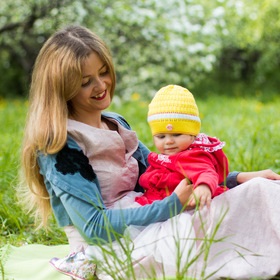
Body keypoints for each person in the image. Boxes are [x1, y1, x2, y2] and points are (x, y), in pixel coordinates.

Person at [12, 25, 280, 280]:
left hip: (152, 218)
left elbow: (165, 172)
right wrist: (171, 206)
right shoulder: (60, 144)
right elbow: (94, 227)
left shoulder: (115, 123)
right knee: (218, 227)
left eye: (104, 71)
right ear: (62, 88)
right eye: (85, 82)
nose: (101, 85)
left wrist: (235, 179)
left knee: (259, 190)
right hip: (114, 248)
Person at [135, 84, 229, 208]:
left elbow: (206, 171)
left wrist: (203, 186)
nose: (168, 141)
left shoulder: (191, 155)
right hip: (159, 203)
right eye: (161, 137)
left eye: (177, 134)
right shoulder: (170, 156)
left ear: (193, 134)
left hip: (185, 206)